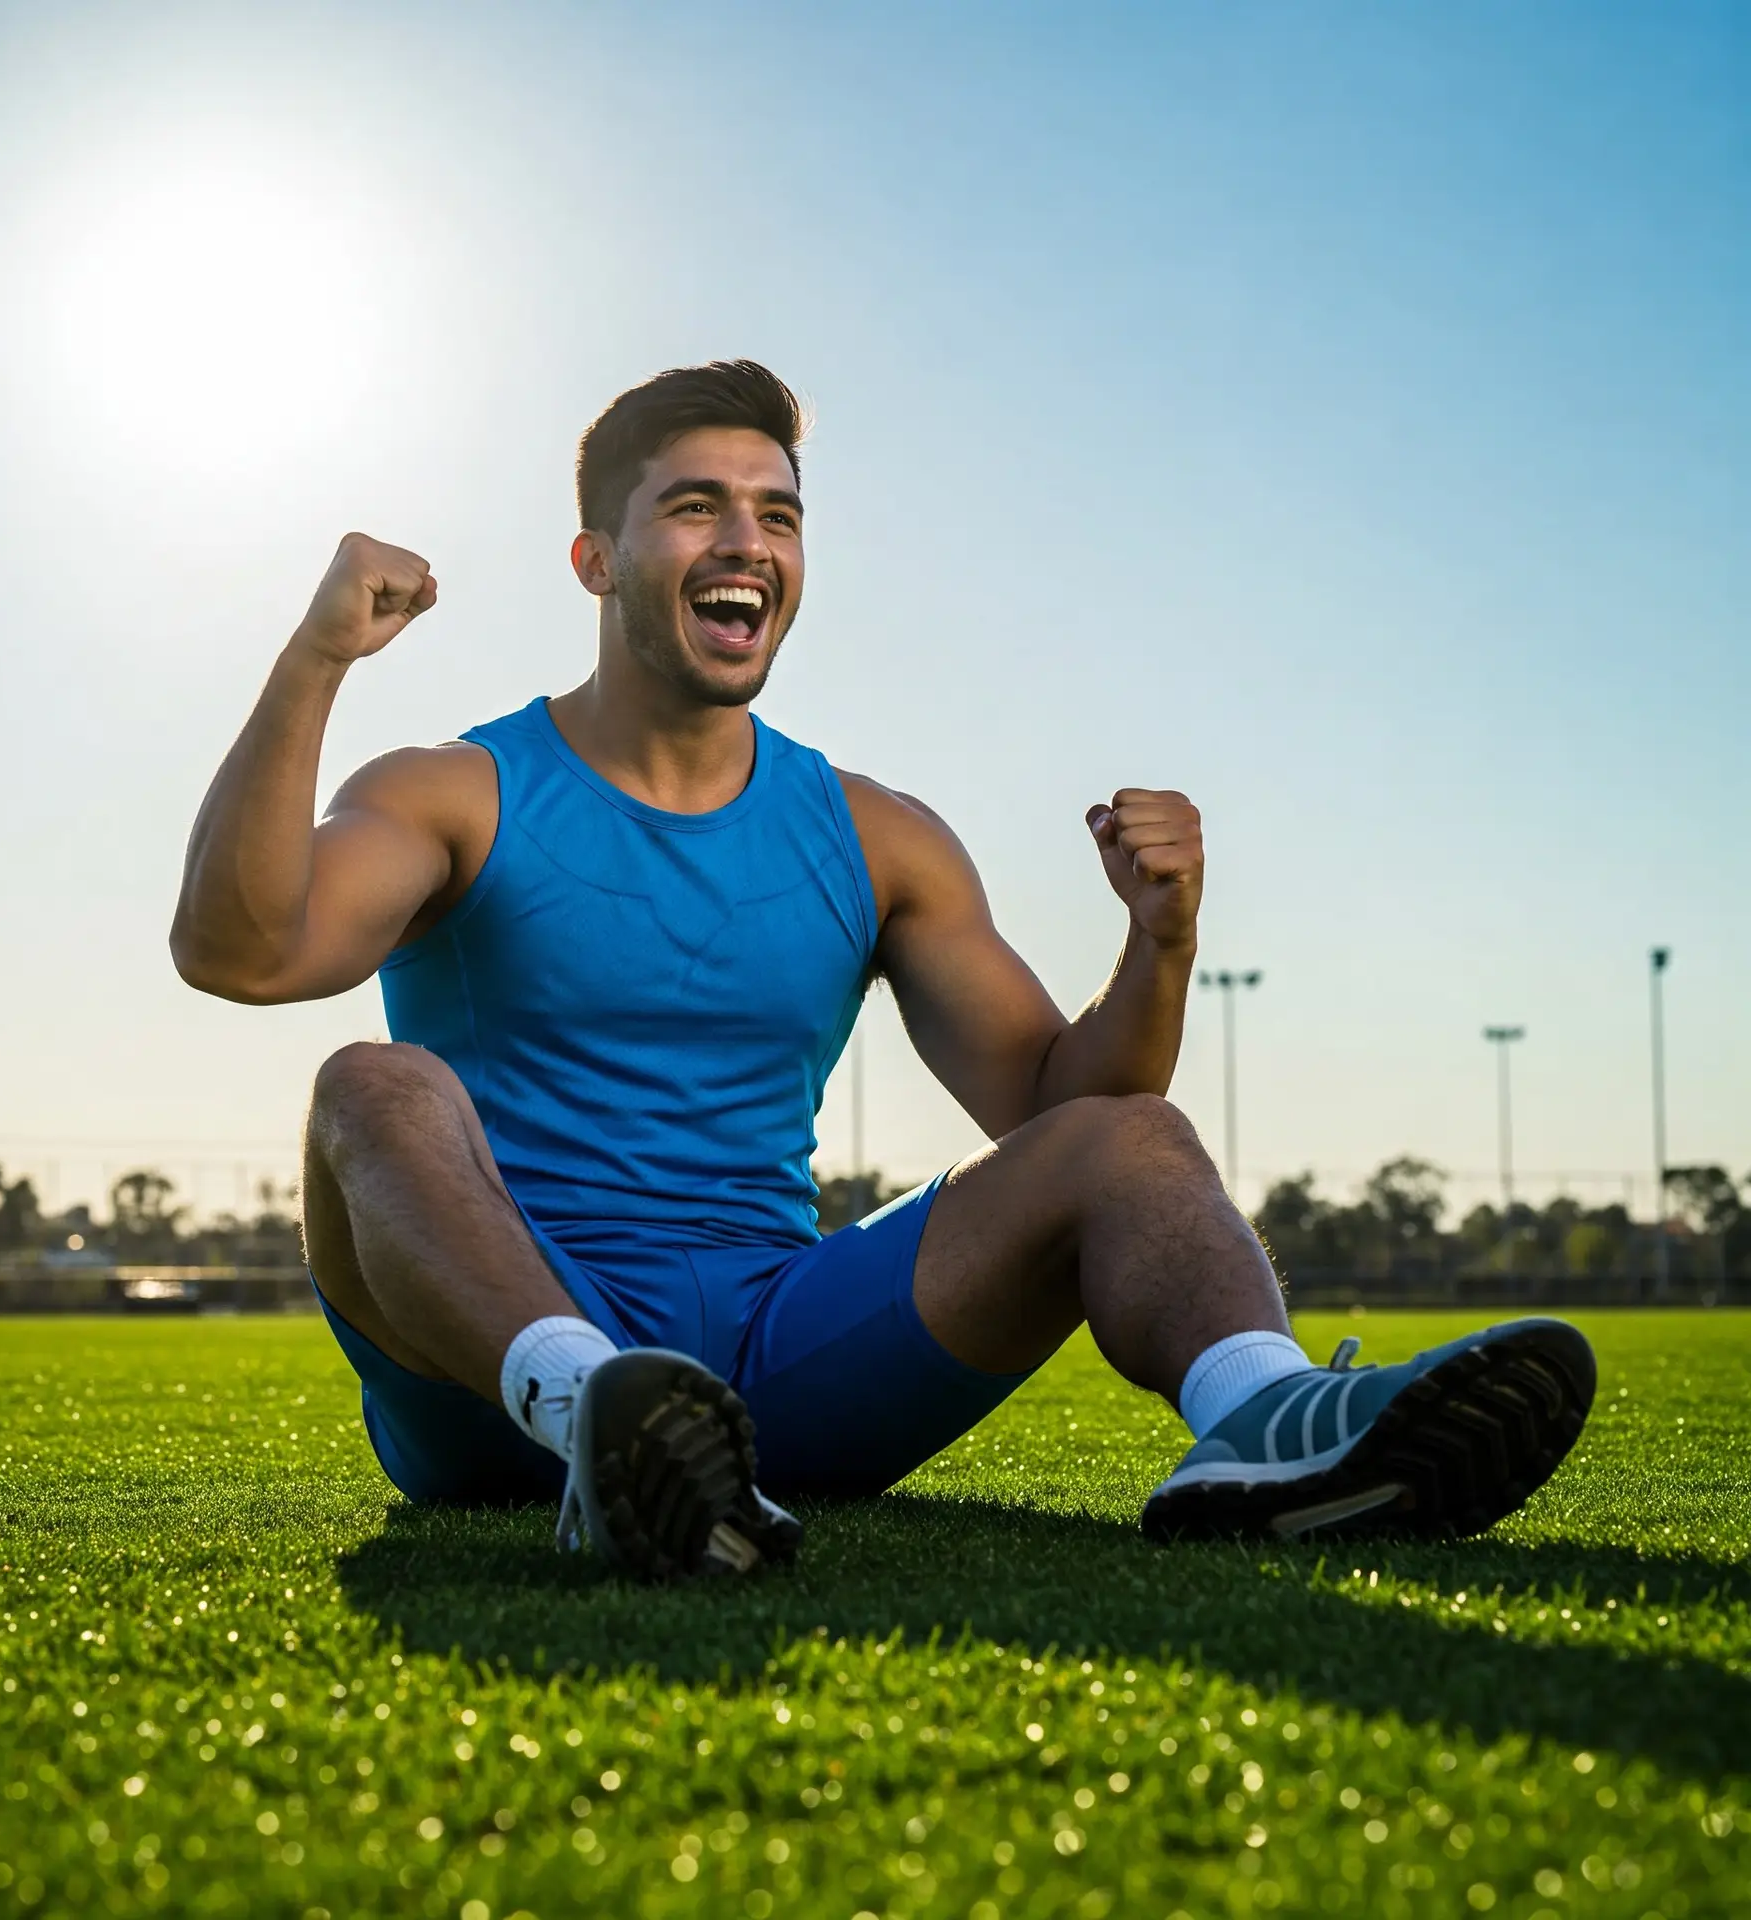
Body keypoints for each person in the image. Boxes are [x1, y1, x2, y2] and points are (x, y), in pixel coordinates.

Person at [169, 360, 1595, 1578]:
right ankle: (598, 1420)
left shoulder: (875, 834)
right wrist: (314, 659)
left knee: (1139, 1139)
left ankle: (1270, 1430)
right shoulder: (458, 791)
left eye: (776, 513)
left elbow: (1064, 1115)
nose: (748, 541)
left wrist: (1160, 945)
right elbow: (239, 950)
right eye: (695, 507)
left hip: (779, 1356)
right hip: (496, 1370)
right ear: (595, 561)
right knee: (369, 1082)